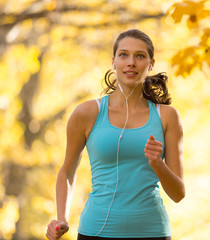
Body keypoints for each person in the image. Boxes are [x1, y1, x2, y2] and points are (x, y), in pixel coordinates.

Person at [46, 29, 185, 240]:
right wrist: (62, 218)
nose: (131, 62)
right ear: (113, 61)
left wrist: (158, 164)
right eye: (124, 55)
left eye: (140, 56)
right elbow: (67, 171)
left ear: (151, 63)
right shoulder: (86, 113)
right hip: (96, 231)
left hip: (152, 232)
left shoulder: (167, 116)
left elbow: (178, 194)